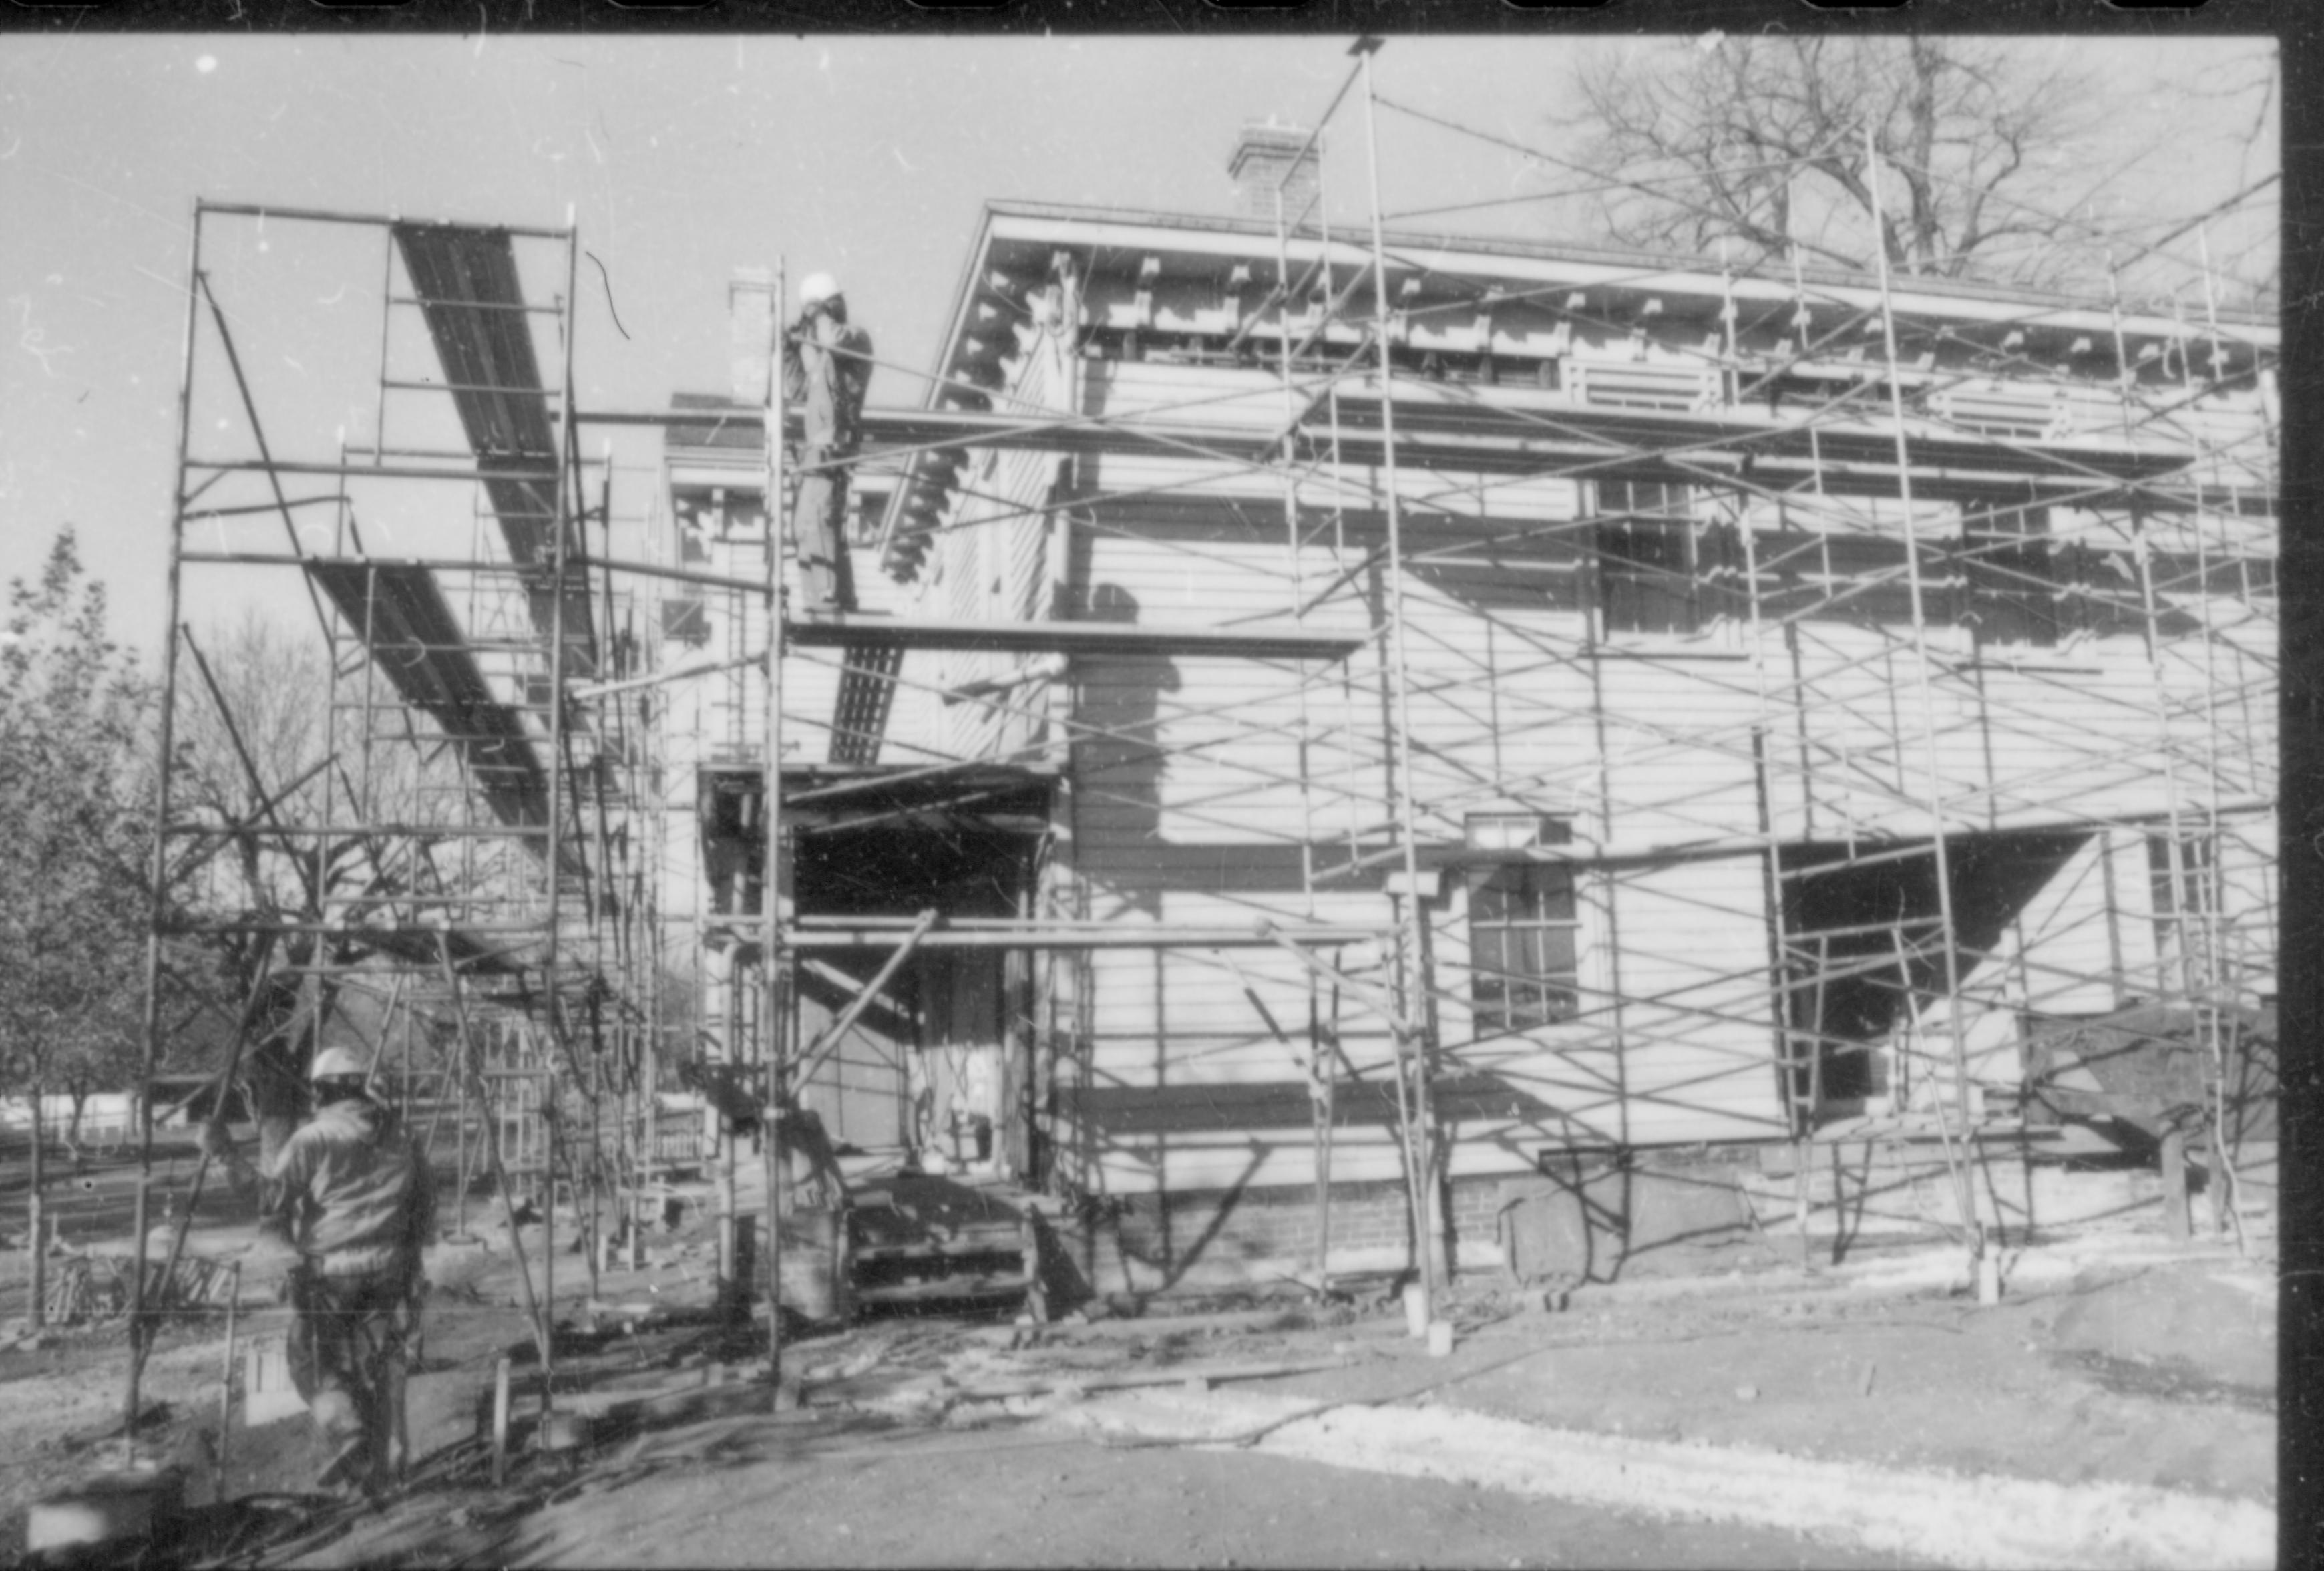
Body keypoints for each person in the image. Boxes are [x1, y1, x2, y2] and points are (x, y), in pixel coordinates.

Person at [205, 1045, 435, 1496]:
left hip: (333, 1275)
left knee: (311, 1361)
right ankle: (388, 1458)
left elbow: (270, 1200)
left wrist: (224, 1154)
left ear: (324, 1090)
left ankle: (349, 1433)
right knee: (383, 1364)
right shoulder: (403, 1133)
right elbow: (425, 1200)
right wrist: (413, 1264)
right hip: (390, 1269)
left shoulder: (316, 1139)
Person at [781, 271, 874, 615]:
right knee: (804, 523)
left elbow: (833, 338)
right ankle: (820, 599)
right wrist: (790, 350)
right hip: (816, 449)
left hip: (835, 444)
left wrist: (818, 317)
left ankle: (831, 594)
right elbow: (798, 389)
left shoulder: (855, 339)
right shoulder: (821, 357)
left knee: (820, 516)